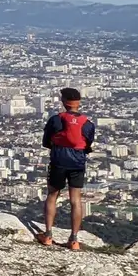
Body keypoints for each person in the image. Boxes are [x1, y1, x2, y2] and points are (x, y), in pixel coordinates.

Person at [38, 87, 97, 250]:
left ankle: (48, 235)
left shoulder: (56, 120)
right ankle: (74, 239)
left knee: (52, 195)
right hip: (78, 163)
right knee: (75, 199)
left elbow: (46, 142)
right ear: (78, 103)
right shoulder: (87, 124)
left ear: (64, 102)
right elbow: (88, 144)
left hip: (59, 160)